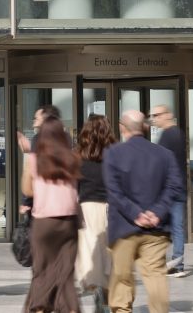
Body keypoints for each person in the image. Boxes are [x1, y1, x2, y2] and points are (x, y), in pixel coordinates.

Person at [104, 110, 182, 313]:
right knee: (156, 276)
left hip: (124, 228)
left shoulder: (113, 154)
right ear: (145, 127)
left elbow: (114, 190)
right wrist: (156, 212)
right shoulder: (165, 155)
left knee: (122, 277)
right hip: (156, 229)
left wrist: (136, 214)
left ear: (122, 127)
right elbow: (174, 186)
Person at [21, 115, 81, 313]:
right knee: (66, 273)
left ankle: (39, 308)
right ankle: (70, 308)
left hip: (44, 221)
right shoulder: (73, 158)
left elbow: (27, 190)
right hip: (69, 221)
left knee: (42, 270)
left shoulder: (34, 159)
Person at [75, 114, 117, 306]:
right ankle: (105, 293)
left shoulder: (78, 155)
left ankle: (95, 286)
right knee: (107, 252)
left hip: (86, 208)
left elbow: (74, 186)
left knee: (89, 250)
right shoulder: (114, 154)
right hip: (110, 207)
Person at [150, 104, 187, 277]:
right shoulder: (179, 133)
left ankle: (161, 264)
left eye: (157, 115)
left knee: (160, 227)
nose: (154, 119)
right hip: (179, 186)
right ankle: (178, 265)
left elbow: (160, 162)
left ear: (167, 115)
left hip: (168, 188)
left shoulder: (167, 135)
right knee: (178, 227)